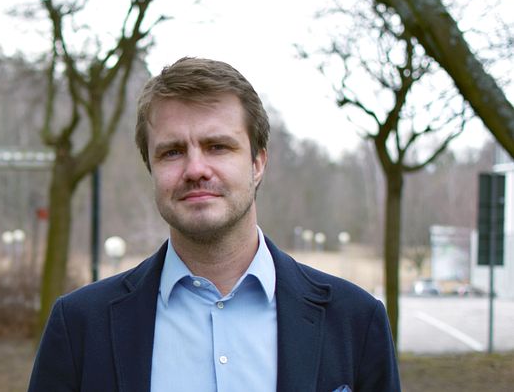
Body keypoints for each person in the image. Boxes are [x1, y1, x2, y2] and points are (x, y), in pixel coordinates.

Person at [28, 57, 400, 392]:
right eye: (172, 152)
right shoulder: (79, 327)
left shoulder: (356, 322)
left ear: (257, 163)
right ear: (152, 169)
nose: (195, 170)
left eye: (218, 146)